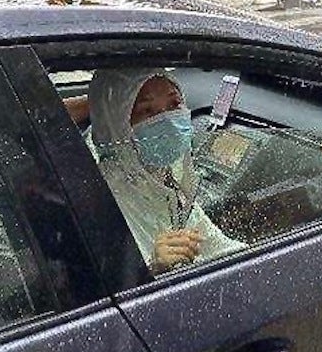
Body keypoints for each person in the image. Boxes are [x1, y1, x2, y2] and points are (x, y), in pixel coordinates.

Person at [88, 68, 246, 274]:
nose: (168, 119)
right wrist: (153, 268)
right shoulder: (101, 198)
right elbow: (107, 286)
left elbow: (216, 245)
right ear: (117, 126)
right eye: (147, 111)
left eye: (174, 104)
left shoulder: (165, 178)